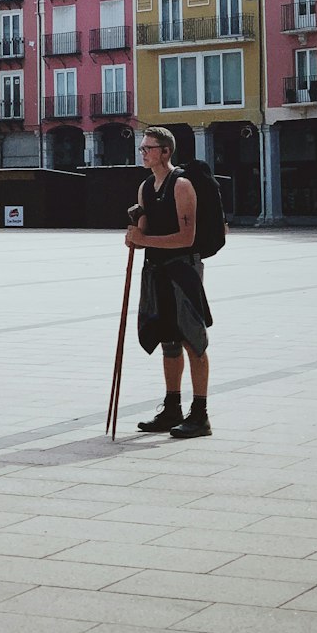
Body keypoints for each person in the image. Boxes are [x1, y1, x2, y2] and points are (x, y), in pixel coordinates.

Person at [126, 128, 214, 438]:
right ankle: (172, 407)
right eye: (142, 148)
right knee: (168, 341)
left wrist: (144, 238)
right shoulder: (145, 187)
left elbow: (185, 238)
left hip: (183, 272)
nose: (144, 153)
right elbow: (143, 232)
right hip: (157, 270)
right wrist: (134, 237)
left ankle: (200, 413)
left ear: (165, 151)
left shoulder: (182, 186)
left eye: (149, 148)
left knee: (193, 341)